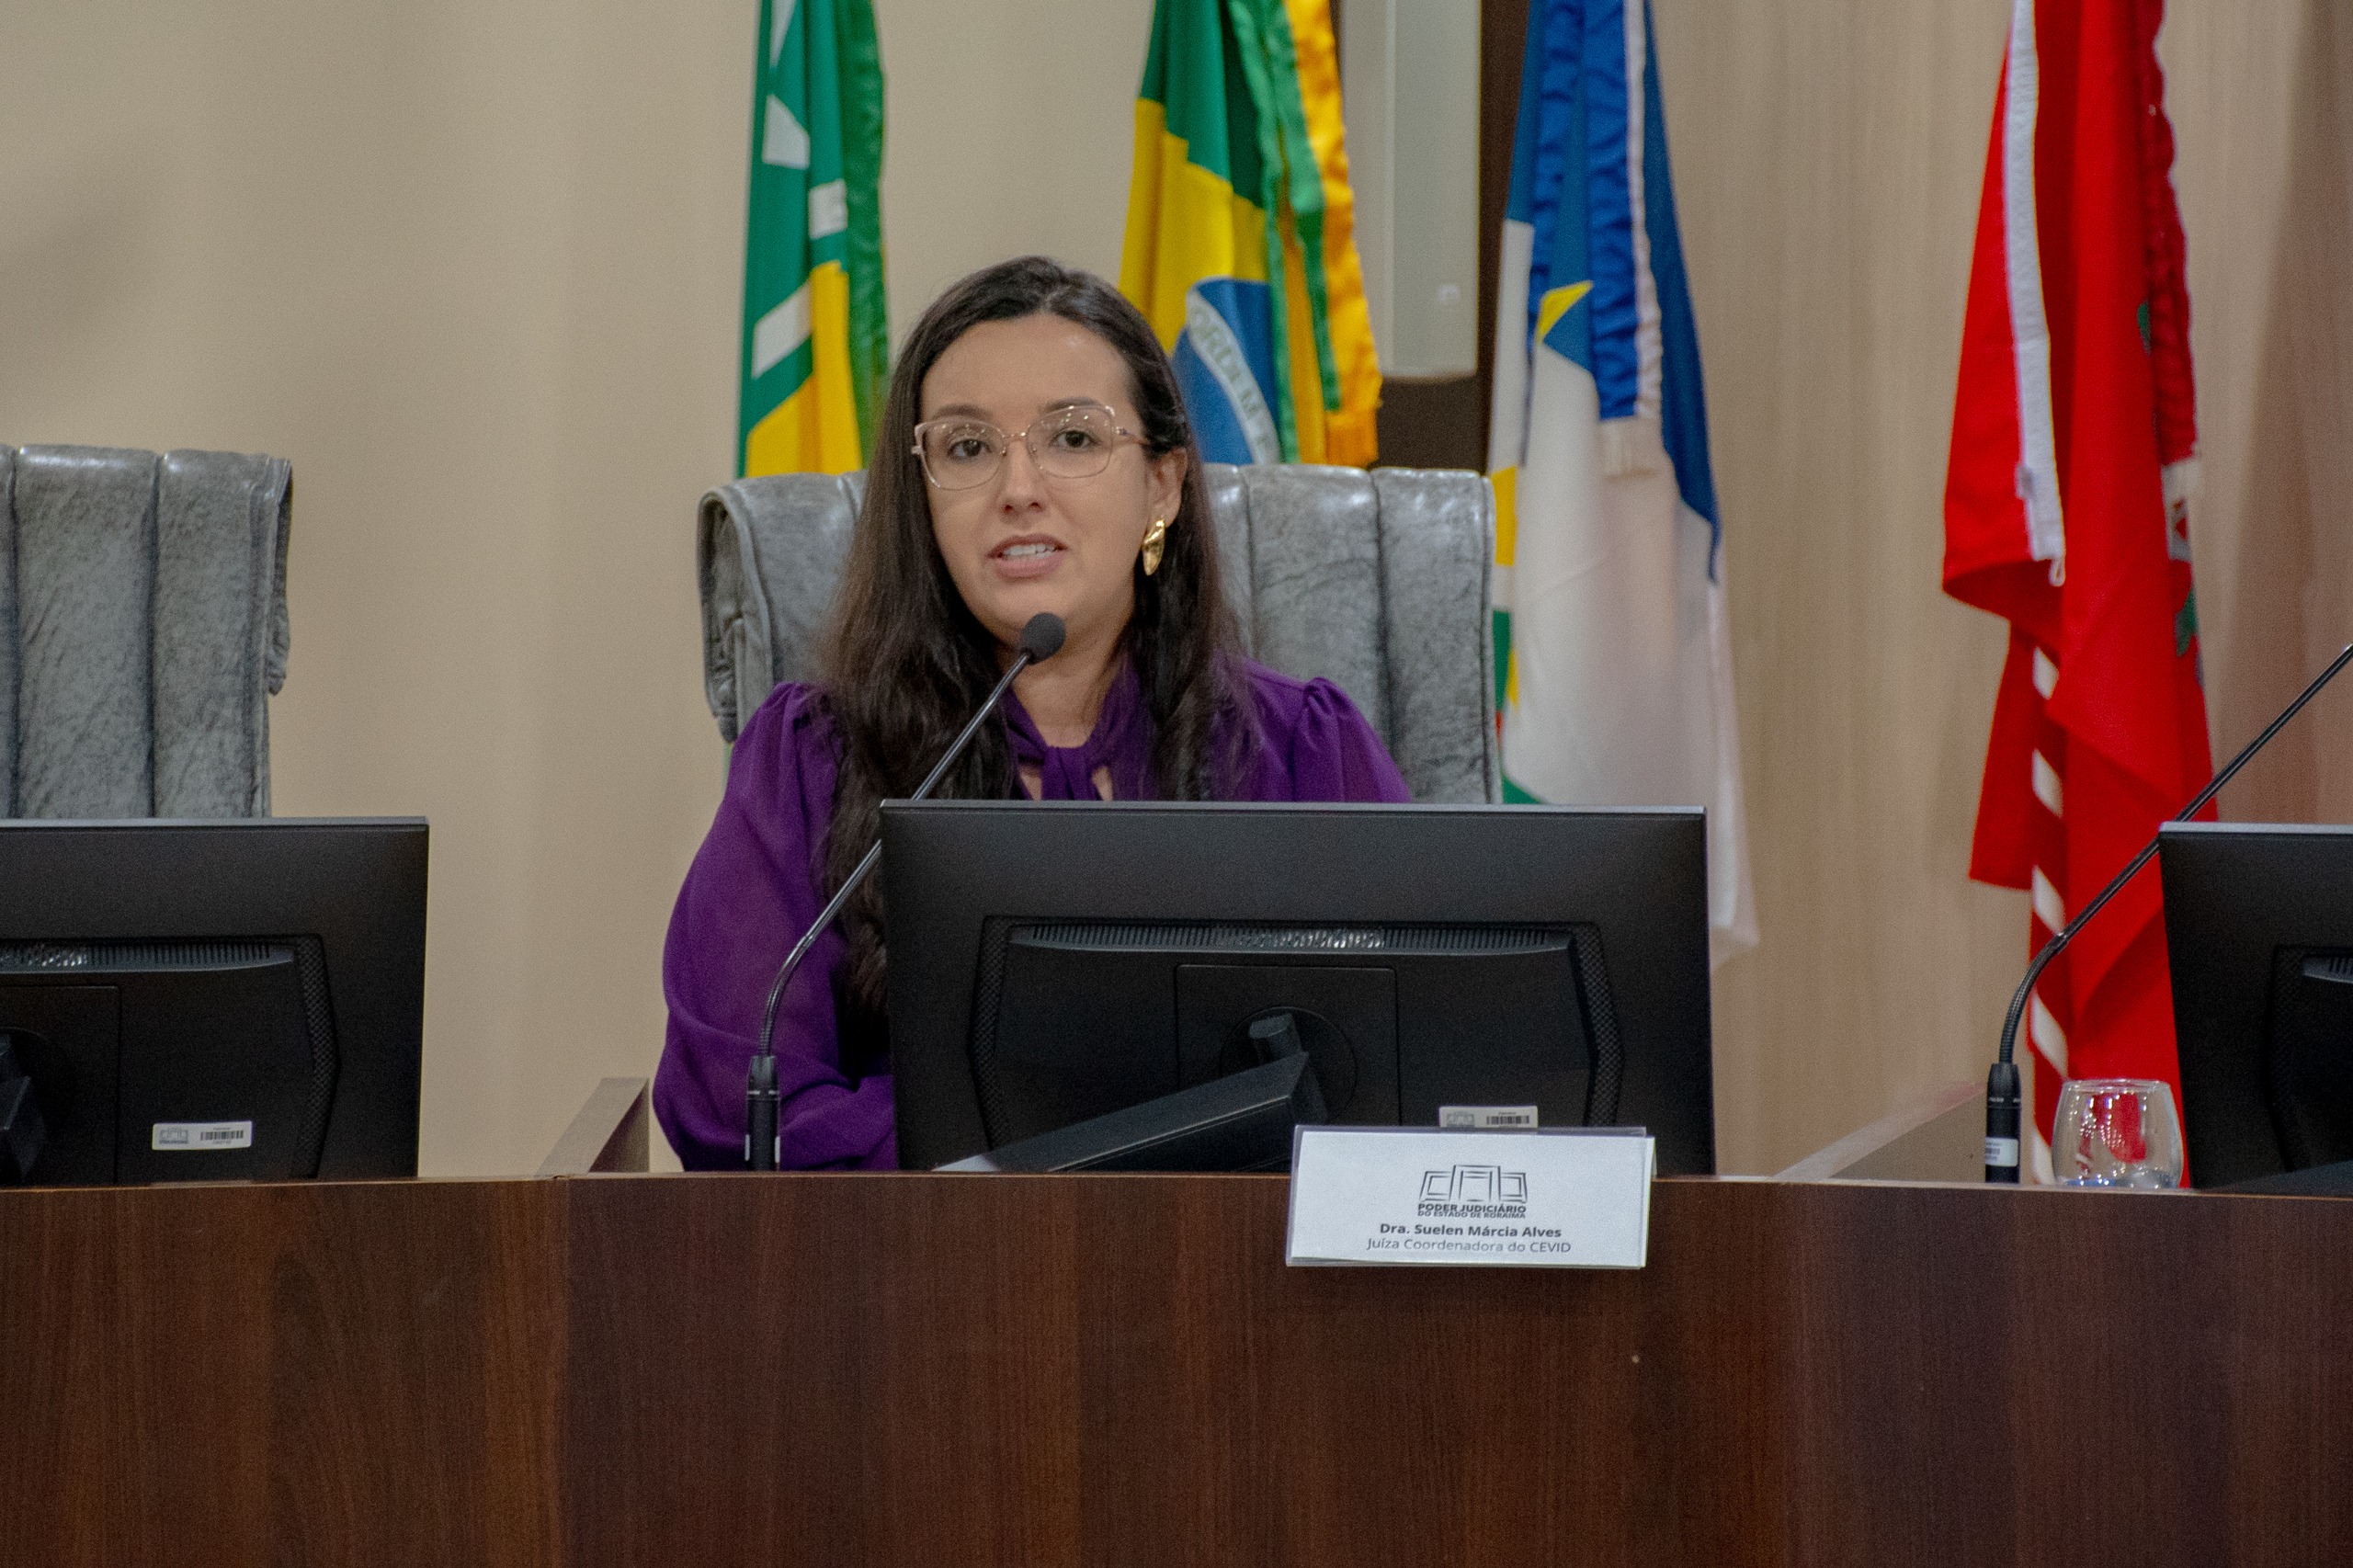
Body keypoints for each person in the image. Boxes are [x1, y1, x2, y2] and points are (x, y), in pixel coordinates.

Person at [656, 256, 1410, 1169]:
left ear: (1162, 486)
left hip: (1239, 1290)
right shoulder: (812, 761)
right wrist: (1068, 1160)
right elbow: (736, 1105)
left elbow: (1399, 1083)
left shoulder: (1301, 753)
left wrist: (998, 1145)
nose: (1018, 486)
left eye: (1074, 438)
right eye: (968, 447)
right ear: (923, 494)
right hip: (917, 1283)